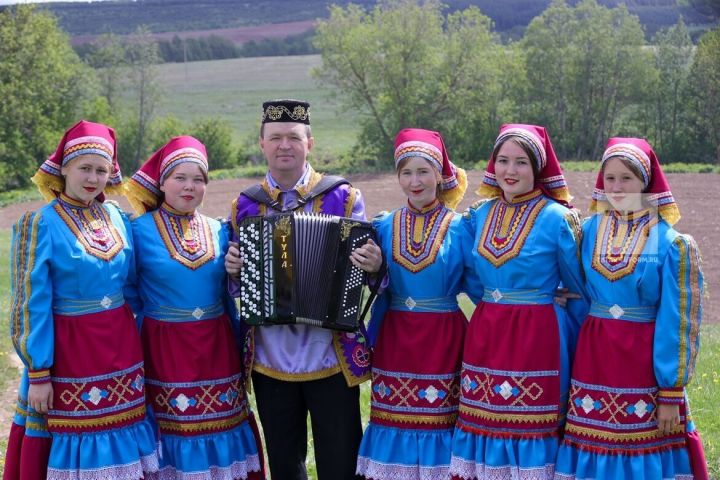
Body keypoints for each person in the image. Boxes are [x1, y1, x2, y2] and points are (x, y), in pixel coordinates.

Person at [224, 99, 383, 480]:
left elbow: (362, 271)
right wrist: (233, 271)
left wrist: (374, 264)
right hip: (270, 355)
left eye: (293, 137)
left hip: (329, 352)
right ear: (261, 144)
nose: (284, 145)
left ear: (309, 142)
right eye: (275, 137)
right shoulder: (244, 206)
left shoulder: (343, 197)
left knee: (340, 461)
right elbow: (233, 285)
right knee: (284, 463)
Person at [3, 120, 158, 480]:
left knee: (123, 433)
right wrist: (39, 372)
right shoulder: (39, 224)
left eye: (101, 170)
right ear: (64, 169)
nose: (93, 177)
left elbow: (135, 287)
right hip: (71, 352)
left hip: (122, 348)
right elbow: (30, 305)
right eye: (84, 168)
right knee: (76, 434)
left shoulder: (119, 219)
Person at [554, 138, 709, 480]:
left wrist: (669, 392)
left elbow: (677, 319)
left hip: (641, 360)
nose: (617, 186)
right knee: (593, 436)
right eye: (610, 178)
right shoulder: (587, 231)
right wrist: (557, 296)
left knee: (640, 440)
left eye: (627, 178)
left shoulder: (670, 242)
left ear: (645, 182)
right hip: (593, 357)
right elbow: (574, 283)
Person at [449, 123, 588, 480]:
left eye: (521, 162)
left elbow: (577, 288)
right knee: (484, 419)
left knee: (530, 423)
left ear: (537, 168)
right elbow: (468, 276)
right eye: (503, 161)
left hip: (537, 335)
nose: (510, 171)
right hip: (487, 330)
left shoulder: (558, 218)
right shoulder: (477, 216)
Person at [125, 136, 265, 479]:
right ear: (162, 182)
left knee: (221, 424)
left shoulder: (220, 230)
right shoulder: (138, 230)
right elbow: (128, 289)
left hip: (216, 347)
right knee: (176, 429)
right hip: (165, 348)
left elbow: (229, 290)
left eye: (199, 179)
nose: (190, 186)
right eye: (180, 178)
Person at [354, 128, 469, 479]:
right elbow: (369, 282)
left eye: (423, 171)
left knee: (439, 419)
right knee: (394, 416)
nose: (415, 181)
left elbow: (486, 280)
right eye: (406, 172)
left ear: (439, 174)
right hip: (397, 336)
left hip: (443, 337)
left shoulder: (462, 226)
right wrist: (376, 269)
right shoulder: (383, 226)